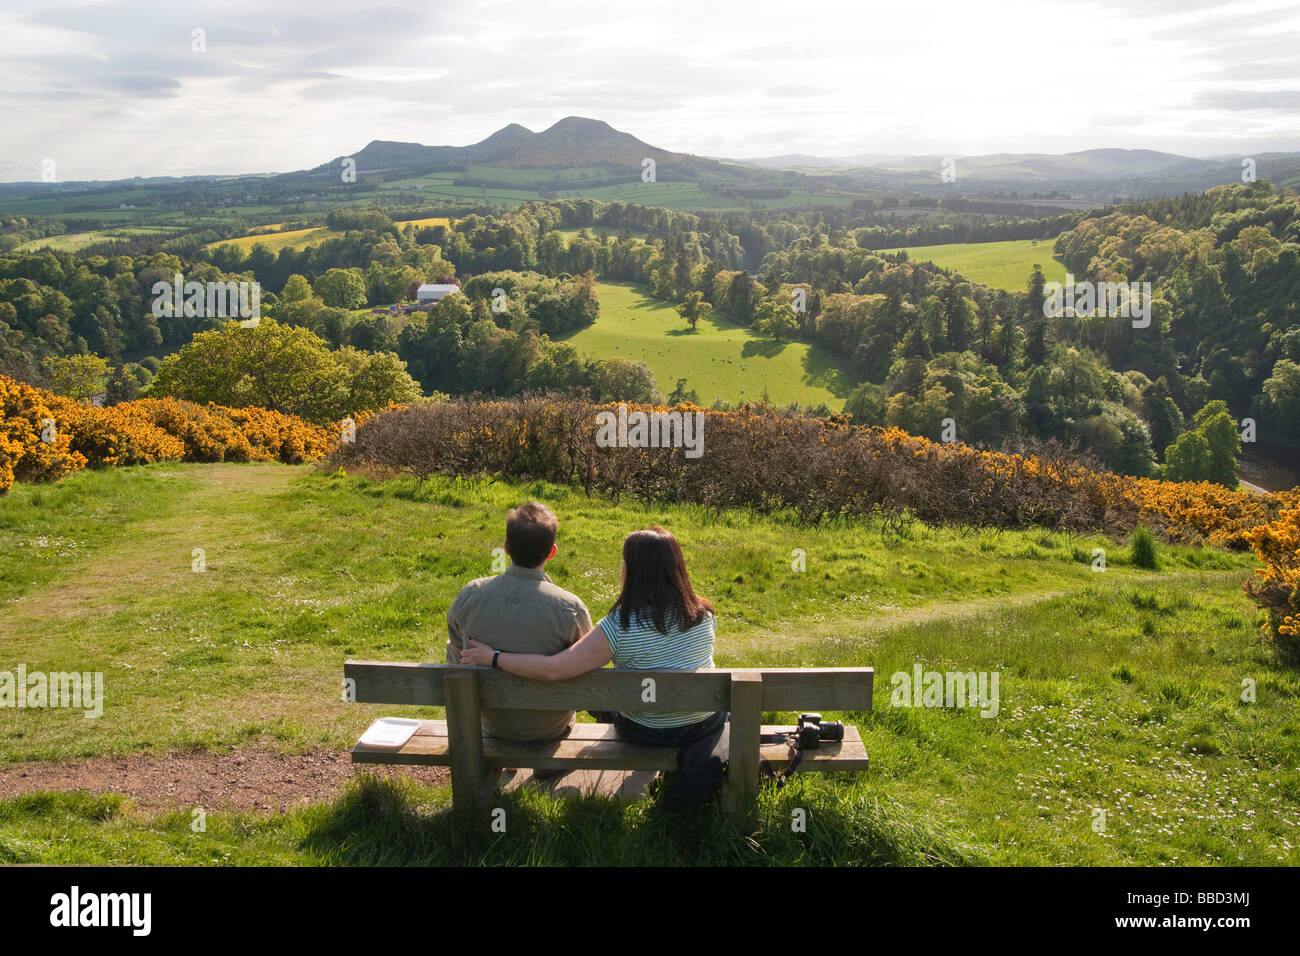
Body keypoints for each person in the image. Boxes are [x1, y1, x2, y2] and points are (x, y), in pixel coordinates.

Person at [460, 526, 726, 805]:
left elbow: (554, 669)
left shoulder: (619, 626)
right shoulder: (705, 616)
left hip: (645, 731)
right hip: (701, 726)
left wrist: (495, 657)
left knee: (600, 698)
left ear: (630, 571)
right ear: (677, 568)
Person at [445, 502, 591, 741]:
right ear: (552, 552)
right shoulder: (570, 608)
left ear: (506, 549)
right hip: (549, 726)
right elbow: (586, 667)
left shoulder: (470, 595)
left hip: (486, 721)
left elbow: (456, 649)